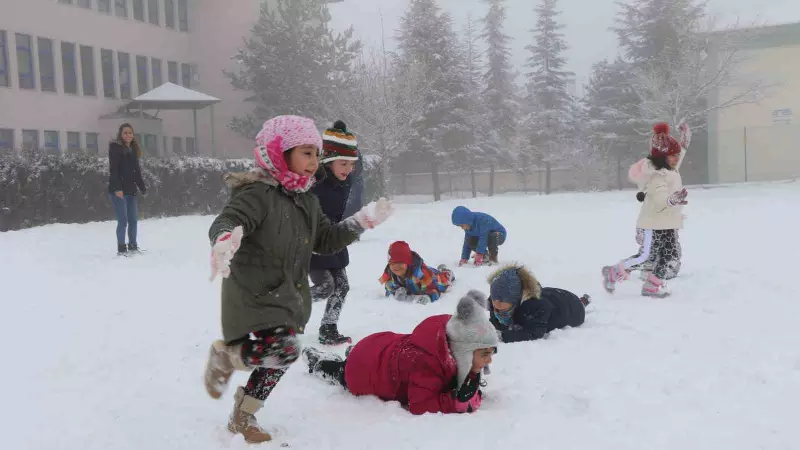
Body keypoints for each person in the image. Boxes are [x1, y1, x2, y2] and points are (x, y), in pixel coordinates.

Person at [202, 115, 393, 443]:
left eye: (316, 154)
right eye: (306, 152)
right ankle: (226, 357)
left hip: (286, 295)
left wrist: (362, 221)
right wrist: (223, 240)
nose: (314, 161)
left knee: (280, 357)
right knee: (285, 350)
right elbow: (229, 219)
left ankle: (242, 415)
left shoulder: (306, 199)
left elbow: (325, 240)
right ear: (279, 151)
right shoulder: (256, 193)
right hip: (254, 292)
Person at [301, 290, 498, 415]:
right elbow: (420, 405)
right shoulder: (428, 363)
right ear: (463, 352)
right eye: (484, 354)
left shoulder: (452, 334)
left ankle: (353, 354)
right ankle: (319, 362)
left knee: (364, 357)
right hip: (364, 371)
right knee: (342, 372)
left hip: (379, 346)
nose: (489, 360)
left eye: (491, 352)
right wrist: (452, 402)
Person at [602, 122, 691, 297]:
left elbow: (679, 153)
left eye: (676, 155)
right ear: (663, 158)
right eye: (673, 156)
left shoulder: (671, 168)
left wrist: (685, 141)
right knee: (646, 256)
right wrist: (672, 200)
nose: (677, 158)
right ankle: (613, 272)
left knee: (670, 254)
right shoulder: (657, 176)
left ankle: (652, 285)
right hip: (653, 223)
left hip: (668, 223)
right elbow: (659, 200)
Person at [310, 121, 360, 345]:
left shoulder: (345, 179)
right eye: (343, 163)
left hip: (335, 239)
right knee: (324, 287)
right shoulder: (313, 182)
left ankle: (328, 328)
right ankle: (285, 306)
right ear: (328, 161)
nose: (348, 169)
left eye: (351, 164)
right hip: (313, 243)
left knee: (342, 285)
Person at [487, 264, 590, 343]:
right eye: (495, 308)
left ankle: (582, 301)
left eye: (503, 310)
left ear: (516, 301)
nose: (497, 310)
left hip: (571, 307)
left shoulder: (537, 307)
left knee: (577, 305)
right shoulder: (496, 301)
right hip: (549, 294)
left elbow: (534, 333)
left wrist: (503, 336)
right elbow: (493, 321)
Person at [107, 122, 146, 256]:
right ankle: (122, 248)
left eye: (130, 133)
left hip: (131, 190)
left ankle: (133, 245)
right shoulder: (115, 148)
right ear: (121, 134)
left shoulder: (133, 149)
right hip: (118, 191)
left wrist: (142, 187)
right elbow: (114, 170)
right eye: (125, 133)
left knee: (133, 221)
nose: (128, 135)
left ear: (133, 135)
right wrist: (117, 188)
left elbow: (136, 171)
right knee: (123, 220)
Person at [379, 240, 454, 304]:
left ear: (408, 263)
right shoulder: (390, 276)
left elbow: (434, 290)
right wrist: (395, 293)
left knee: (443, 282)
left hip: (434, 279)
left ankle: (446, 271)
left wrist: (428, 297)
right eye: (392, 263)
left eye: (400, 263)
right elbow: (388, 290)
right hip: (421, 277)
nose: (396, 266)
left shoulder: (421, 275)